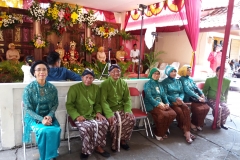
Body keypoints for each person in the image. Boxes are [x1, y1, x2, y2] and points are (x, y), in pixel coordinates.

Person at [66, 69, 110, 160]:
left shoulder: (96, 88)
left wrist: (98, 112)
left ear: (93, 79)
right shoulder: (74, 88)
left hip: (92, 114)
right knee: (87, 127)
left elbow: (98, 103)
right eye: (86, 77)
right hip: (79, 115)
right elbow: (69, 105)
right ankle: (85, 150)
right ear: (82, 78)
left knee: (104, 123)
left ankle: (98, 147)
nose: (88, 80)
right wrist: (77, 116)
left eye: (91, 78)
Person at [22, 60, 61, 160]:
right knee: (44, 130)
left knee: (56, 129)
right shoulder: (29, 89)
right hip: (33, 118)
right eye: (38, 70)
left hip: (49, 116)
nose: (41, 72)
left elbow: (55, 104)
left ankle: (51, 154)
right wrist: (41, 119)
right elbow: (28, 109)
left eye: (44, 69)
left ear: (47, 72)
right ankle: (46, 157)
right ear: (34, 73)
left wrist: (49, 116)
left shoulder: (52, 88)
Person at [100, 64, 135, 152]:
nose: (116, 73)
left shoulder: (123, 83)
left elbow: (127, 99)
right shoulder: (104, 84)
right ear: (109, 73)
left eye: (118, 71)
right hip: (110, 110)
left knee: (131, 119)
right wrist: (109, 114)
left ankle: (123, 140)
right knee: (113, 122)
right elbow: (103, 101)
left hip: (121, 109)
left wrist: (127, 110)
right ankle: (114, 143)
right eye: (113, 71)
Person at [161, 65, 195, 144]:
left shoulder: (178, 81)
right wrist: (175, 99)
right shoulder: (164, 82)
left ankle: (187, 131)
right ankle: (186, 131)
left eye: (175, 71)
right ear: (168, 72)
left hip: (180, 101)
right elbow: (164, 95)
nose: (174, 73)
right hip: (171, 102)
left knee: (186, 109)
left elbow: (182, 92)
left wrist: (180, 98)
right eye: (172, 71)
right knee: (179, 111)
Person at [143, 67, 177, 141]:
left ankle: (163, 130)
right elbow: (149, 97)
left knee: (173, 114)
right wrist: (158, 104)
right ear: (151, 74)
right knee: (162, 115)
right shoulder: (148, 84)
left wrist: (167, 103)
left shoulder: (160, 84)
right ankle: (158, 133)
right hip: (151, 104)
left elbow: (164, 95)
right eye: (155, 73)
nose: (156, 75)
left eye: (158, 74)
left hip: (162, 103)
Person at [178, 66, 210, 131]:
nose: (190, 71)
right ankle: (192, 123)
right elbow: (187, 90)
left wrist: (201, 94)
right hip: (187, 98)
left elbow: (196, 88)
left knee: (206, 108)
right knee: (198, 109)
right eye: (188, 70)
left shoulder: (190, 79)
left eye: (190, 70)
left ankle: (197, 123)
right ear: (183, 71)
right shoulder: (181, 79)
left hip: (194, 98)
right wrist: (198, 97)